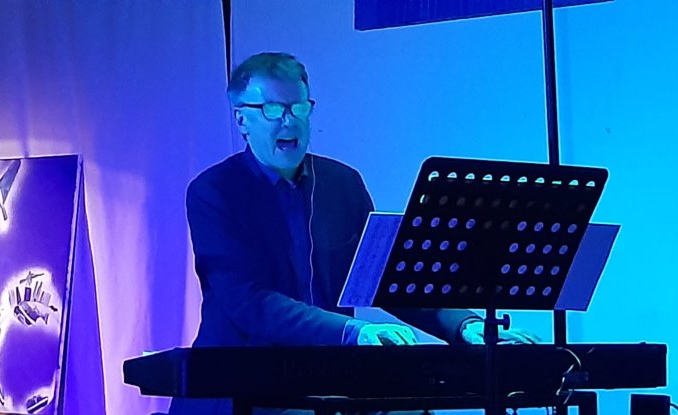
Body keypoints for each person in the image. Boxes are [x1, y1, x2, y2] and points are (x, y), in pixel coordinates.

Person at [168, 52, 537, 415]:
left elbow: (390, 279)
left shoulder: (342, 183)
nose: (289, 120)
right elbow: (250, 302)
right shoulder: (214, 191)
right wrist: (352, 331)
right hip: (241, 385)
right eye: (272, 109)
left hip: (326, 381)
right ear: (242, 120)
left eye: (299, 107)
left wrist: (466, 326)